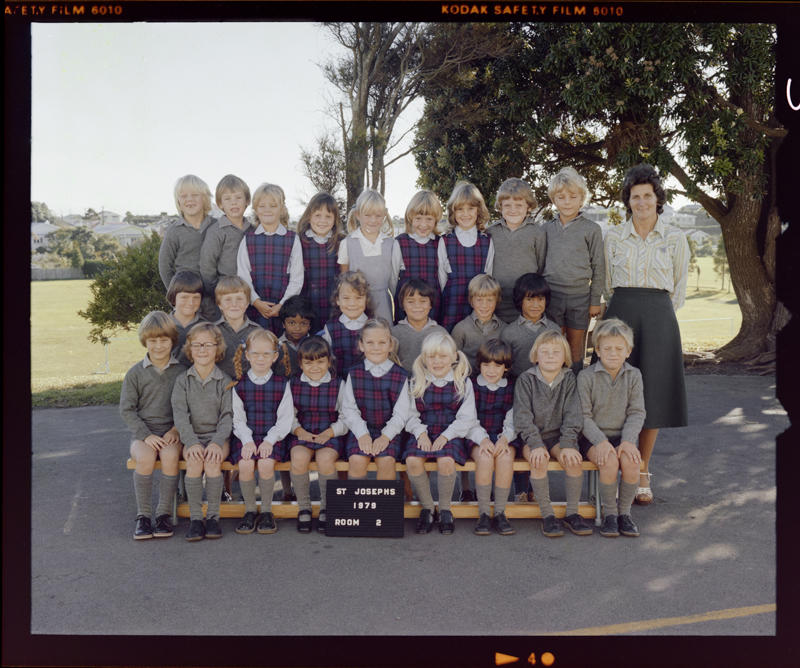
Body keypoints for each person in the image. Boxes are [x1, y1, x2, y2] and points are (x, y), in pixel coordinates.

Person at [602, 163, 689, 505]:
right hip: (621, 314)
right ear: (628, 201)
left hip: (658, 315)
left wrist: (660, 316)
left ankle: (642, 470)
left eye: (647, 195)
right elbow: (609, 284)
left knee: (650, 395)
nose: (641, 202)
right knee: (616, 391)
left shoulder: (675, 237)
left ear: (657, 199)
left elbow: (679, 287)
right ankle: (612, 467)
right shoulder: (613, 237)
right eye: (635, 196)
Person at [513, 330, 590, 538]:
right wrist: (535, 444)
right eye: (544, 351)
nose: (549, 356)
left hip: (558, 437)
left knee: (573, 460)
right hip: (532, 437)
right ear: (535, 355)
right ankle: (547, 515)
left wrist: (567, 444)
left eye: (556, 352)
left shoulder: (569, 380)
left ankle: (572, 513)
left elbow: (573, 415)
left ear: (565, 357)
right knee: (538, 461)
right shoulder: (526, 380)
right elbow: (522, 417)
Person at [120, 311, 186, 540]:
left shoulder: (182, 371)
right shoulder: (135, 373)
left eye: (164, 340)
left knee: (170, 457)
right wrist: (145, 435)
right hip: (144, 434)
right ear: (144, 342)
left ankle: (163, 514)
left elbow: (187, 407)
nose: (158, 346)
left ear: (172, 341)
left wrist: (176, 430)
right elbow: (127, 410)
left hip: (172, 431)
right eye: (152, 341)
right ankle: (144, 516)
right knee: (145, 458)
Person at [404, 331, 478, 535]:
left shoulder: (462, 381)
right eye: (431, 356)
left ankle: (445, 509)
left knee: (446, 462)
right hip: (423, 430)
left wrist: (446, 436)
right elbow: (409, 414)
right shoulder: (416, 380)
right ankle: (427, 508)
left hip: (450, 432)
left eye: (443, 356)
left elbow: (466, 417)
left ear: (454, 357)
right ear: (424, 358)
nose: (437, 362)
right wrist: (420, 434)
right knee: (413, 461)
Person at [577, 318, 645, 537]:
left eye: (619, 348)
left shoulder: (634, 375)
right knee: (608, 461)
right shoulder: (586, 377)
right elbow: (584, 417)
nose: (613, 353)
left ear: (628, 351)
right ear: (597, 349)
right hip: (593, 437)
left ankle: (625, 514)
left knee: (633, 463)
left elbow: (637, 412)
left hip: (622, 436)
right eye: (607, 348)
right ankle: (610, 514)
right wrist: (601, 442)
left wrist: (628, 441)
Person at [228, 328, 294, 536]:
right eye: (255, 353)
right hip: (245, 436)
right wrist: (247, 441)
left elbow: (285, 420)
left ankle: (266, 511)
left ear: (275, 357)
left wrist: (269, 441)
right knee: (245, 464)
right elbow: (237, 419)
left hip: (273, 438)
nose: (260, 358)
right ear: (247, 355)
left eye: (266, 354)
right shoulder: (239, 385)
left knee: (266, 464)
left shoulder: (282, 384)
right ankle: (249, 510)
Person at [171, 323, 232, 541]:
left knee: (213, 461)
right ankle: (196, 519)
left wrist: (216, 442)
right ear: (189, 348)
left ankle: (214, 517)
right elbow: (180, 416)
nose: (202, 349)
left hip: (218, 437)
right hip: (193, 438)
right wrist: (191, 442)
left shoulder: (224, 381)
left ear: (218, 348)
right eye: (196, 345)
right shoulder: (182, 381)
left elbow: (228, 416)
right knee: (195, 462)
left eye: (208, 344)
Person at [542, 167, 605, 376]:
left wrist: (595, 299)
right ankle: (556, 385)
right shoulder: (545, 229)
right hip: (552, 296)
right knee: (555, 344)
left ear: (582, 199)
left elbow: (599, 266)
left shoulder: (591, 229)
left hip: (580, 296)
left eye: (573, 196)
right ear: (554, 200)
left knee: (576, 345)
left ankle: (576, 385)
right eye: (561, 197)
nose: (567, 201)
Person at [287, 336, 347, 534]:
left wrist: (330, 433)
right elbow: (288, 415)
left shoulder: (338, 384)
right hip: (302, 431)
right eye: (308, 362)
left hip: (329, 432)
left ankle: (326, 507)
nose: (315, 367)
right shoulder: (293, 383)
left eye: (321, 362)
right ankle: (303, 506)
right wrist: (299, 431)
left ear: (329, 362)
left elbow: (347, 417)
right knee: (298, 458)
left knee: (325, 459)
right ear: (300, 363)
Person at [340, 318, 411, 481]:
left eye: (382, 342)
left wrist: (386, 436)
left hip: (390, 431)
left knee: (386, 461)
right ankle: (357, 506)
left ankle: (383, 507)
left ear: (390, 344)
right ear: (361, 345)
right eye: (370, 342)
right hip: (361, 429)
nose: (376, 347)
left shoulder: (400, 375)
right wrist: (362, 434)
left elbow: (401, 415)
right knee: (357, 460)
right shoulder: (354, 373)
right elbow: (349, 410)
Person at [237, 183, 304, 335]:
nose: (267, 210)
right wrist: (255, 301)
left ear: (281, 208)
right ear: (255, 209)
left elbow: (297, 278)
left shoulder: (292, 240)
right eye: (262, 206)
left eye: (273, 205)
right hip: (255, 309)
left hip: (283, 308)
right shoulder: (248, 240)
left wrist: (282, 305)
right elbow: (243, 276)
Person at [467, 340, 518, 536]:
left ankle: (499, 512)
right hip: (477, 435)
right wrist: (483, 440)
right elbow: (469, 418)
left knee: (505, 457)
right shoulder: (471, 385)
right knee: (485, 457)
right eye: (486, 365)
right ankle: (483, 513)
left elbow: (513, 417)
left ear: (506, 367)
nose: (491, 370)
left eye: (497, 365)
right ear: (479, 364)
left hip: (505, 435)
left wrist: (505, 439)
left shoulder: (512, 386)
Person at [487, 177, 546, 323]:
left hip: (526, 303)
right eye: (507, 205)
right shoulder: (490, 232)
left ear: (529, 207)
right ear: (500, 207)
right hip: (496, 301)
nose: (513, 210)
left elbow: (541, 266)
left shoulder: (537, 233)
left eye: (519, 205)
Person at [438, 181, 494, 331]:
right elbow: (441, 278)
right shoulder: (445, 240)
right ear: (453, 212)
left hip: (478, 304)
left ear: (478, 210)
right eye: (460, 209)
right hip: (452, 303)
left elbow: (488, 274)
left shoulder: (486, 240)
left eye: (471, 208)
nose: (466, 214)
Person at [158, 175, 217, 320]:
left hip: (214, 297)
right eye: (183, 196)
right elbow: (164, 266)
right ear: (178, 201)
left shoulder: (217, 226)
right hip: (187, 298)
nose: (189, 199)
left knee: (213, 337)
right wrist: (177, 295)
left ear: (205, 198)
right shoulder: (175, 231)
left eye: (195, 195)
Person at [338, 189, 400, 323]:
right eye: (367, 215)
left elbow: (394, 281)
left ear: (384, 215)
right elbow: (344, 282)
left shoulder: (392, 244)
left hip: (383, 306)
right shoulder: (347, 244)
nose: (373, 220)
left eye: (378, 216)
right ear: (358, 215)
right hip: (357, 307)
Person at [199, 174, 252, 322]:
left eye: (238, 198)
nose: (233, 203)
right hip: (225, 297)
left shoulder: (253, 230)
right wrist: (219, 294)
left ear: (247, 200)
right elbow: (207, 267)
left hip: (251, 297)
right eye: (227, 199)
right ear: (220, 204)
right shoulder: (217, 231)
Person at [297, 192, 345, 334]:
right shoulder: (300, 241)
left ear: (335, 219)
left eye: (328, 216)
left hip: (334, 304)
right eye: (318, 215)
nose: (322, 221)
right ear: (309, 216)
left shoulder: (341, 242)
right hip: (307, 303)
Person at [392, 190, 443, 323]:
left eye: (429, 219)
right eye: (418, 218)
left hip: (432, 305)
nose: (423, 224)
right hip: (407, 307)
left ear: (436, 219)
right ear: (410, 217)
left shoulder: (439, 242)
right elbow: (393, 279)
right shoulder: (400, 242)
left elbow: (442, 277)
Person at [500, 272, 561, 379]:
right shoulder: (508, 332)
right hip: (517, 385)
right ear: (520, 301)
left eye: (540, 299)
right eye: (529, 299)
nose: (535, 305)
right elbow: (504, 366)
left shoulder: (554, 330)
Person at [320, 270, 374, 377]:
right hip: (340, 383)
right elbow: (325, 359)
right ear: (337, 300)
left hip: (367, 383)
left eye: (358, 298)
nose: (352, 303)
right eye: (346, 298)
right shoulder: (330, 327)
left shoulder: (373, 325)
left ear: (366, 299)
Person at [451, 273, 506, 372]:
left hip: (494, 380)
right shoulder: (460, 329)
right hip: (467, 380)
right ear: (471, 301)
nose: (484, 305)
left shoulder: (504, 329)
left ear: (497, 301)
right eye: (479, 300)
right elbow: (453, 360)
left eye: (489, 300)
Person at [390, 278, 448, 372]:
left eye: (423, 301)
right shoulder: (394, 333)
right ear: (402, 305)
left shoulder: (440, 333)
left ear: (430, 304)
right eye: (410, 301)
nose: (417, 306)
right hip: (403, 383)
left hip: (432, 384)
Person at [213, 276, 261, 380]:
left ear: (247, 303)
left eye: (239, 299)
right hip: (219, 387)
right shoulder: (211, 331)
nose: (234, 304)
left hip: (248, 388)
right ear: (219, 304)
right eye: (228, 299)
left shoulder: (257, 332)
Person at [165, 270, 205, 366]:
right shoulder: (163, 325)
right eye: (184, 297)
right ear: (173, 297)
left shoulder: (206, 327)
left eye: (196, 297)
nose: (191, 303)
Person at [273, 295, 316, 379]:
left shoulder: (316, 346)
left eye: (303, 323)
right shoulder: (275, 346)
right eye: (292, 323)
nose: (297, 328)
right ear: (283, 324)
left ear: (310, 325)